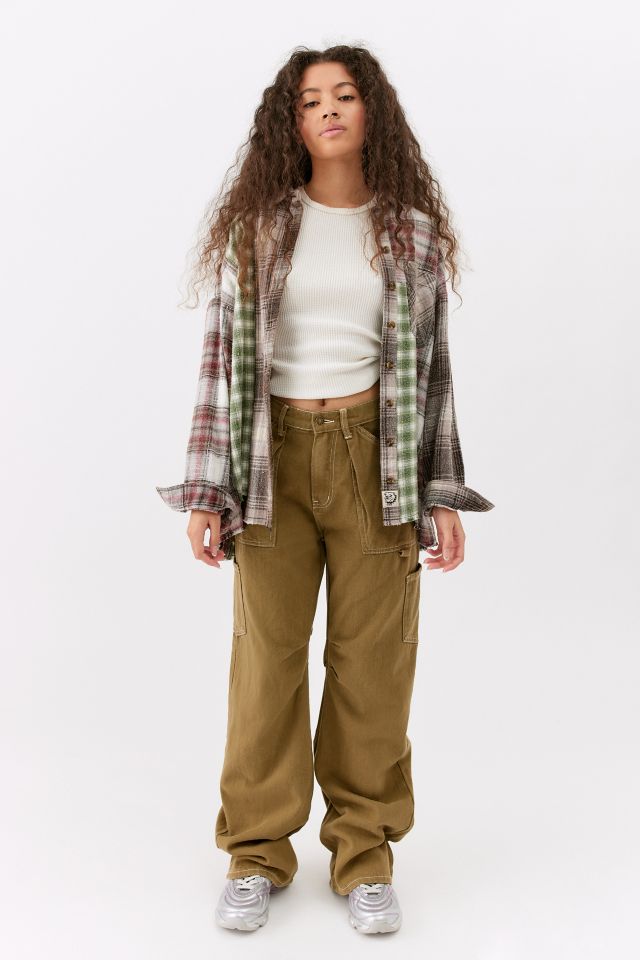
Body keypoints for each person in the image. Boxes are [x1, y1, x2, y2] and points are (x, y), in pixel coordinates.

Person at [156, 44, 495, 935]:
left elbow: (433, 372)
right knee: (265, 661)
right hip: (272, 459)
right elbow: (221, 362)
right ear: (292, 123)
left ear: (371, 110)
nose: (330, 110)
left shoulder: (411, 232)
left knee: (372, 663)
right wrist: (208, 489)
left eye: (345, 95)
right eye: (311, 101)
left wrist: (441, 492)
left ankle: (364, 852)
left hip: (376, 457)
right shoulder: (259, 227)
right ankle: (256, 852)